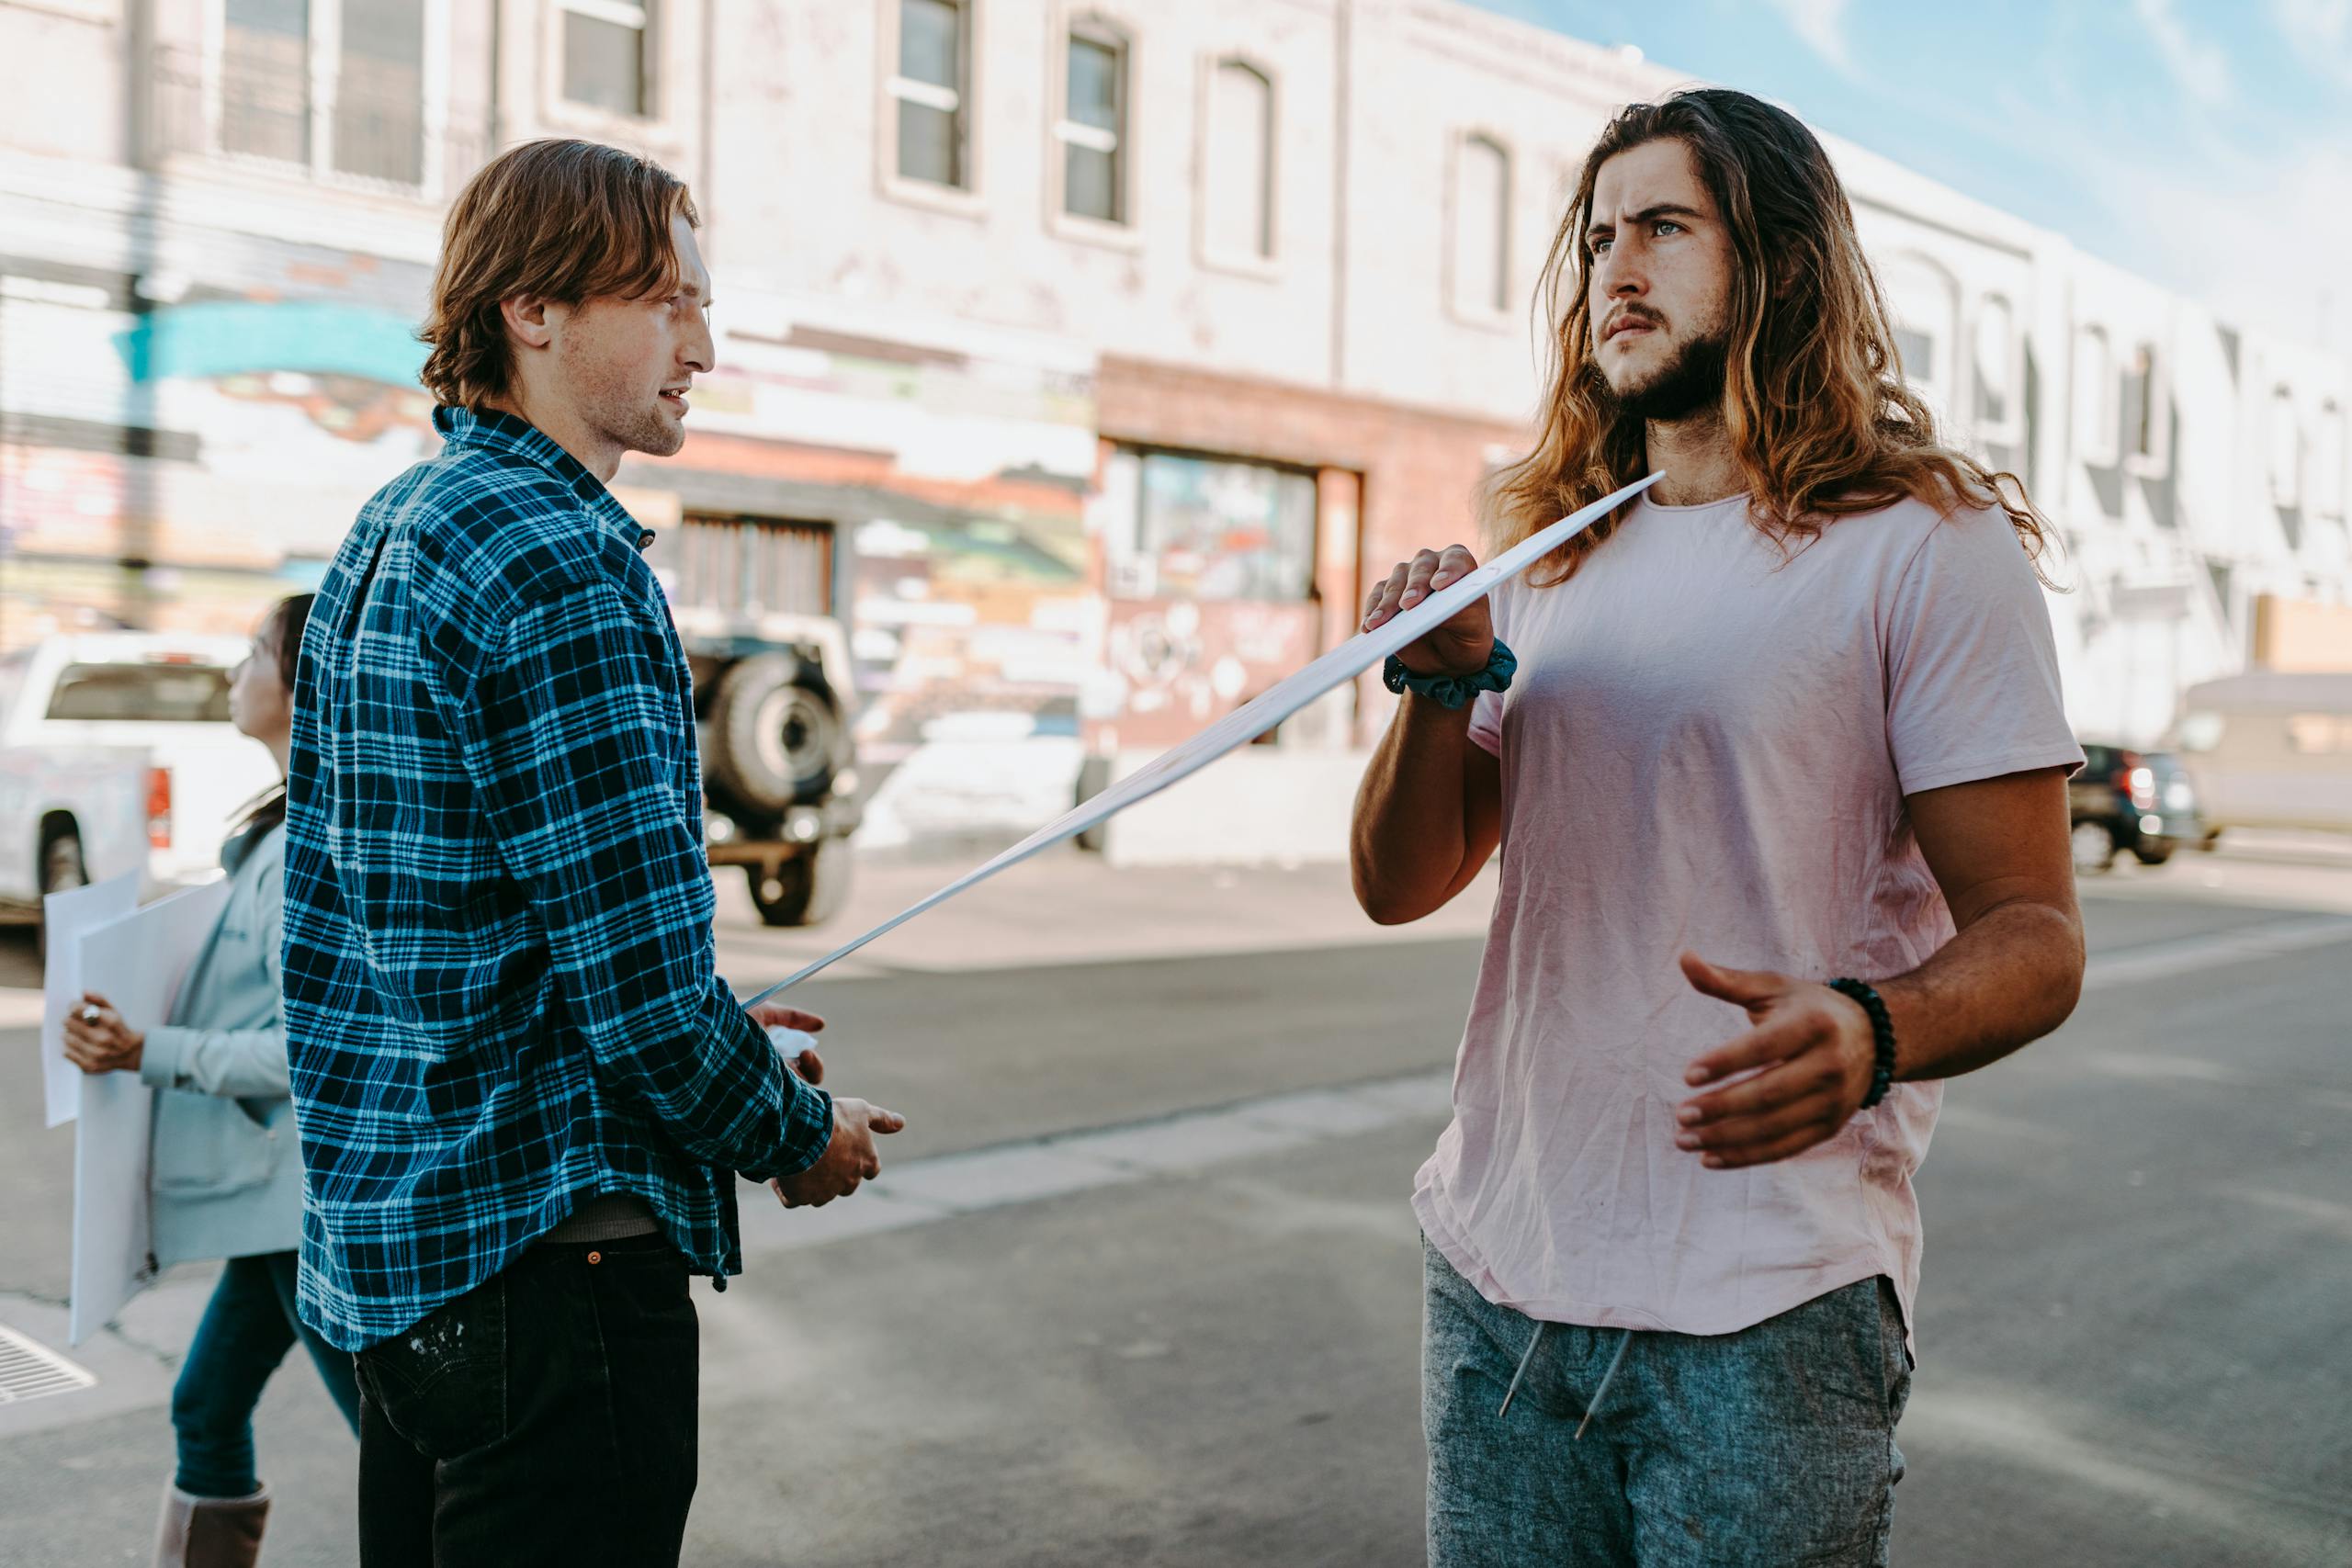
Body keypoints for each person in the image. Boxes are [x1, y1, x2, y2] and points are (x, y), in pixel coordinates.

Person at [1352, 87, 2087, 1566]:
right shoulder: (1558, 544)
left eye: (1667, 228)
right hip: (1500, 1278)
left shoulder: (1925, 544)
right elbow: (1401, 879)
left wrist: (1875, 1025)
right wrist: (1437, 692)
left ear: (1779, 260)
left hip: (1768, 1303)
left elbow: (2038, 935)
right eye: (1601, 235)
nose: (1616, 269)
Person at [279, 139, 906, 1567]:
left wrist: (704, 1042)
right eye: (670, 299)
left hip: (405, 1267)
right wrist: (799, 1131)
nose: (705, 343)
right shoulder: (565, 556)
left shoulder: (395, 525)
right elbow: (642, 1000)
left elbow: (378, 932)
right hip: (554, 1284)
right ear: (534, 308)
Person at [63, 594, 361, 1568]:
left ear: (302, 680)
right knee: (207, 1404)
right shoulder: (285, 830)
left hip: (297, 1199)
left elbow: (300, 1054)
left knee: (399, 1444)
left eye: (252, 653)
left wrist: (145, 1048)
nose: (236, 672)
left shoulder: (311, 844)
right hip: (268, 1201)